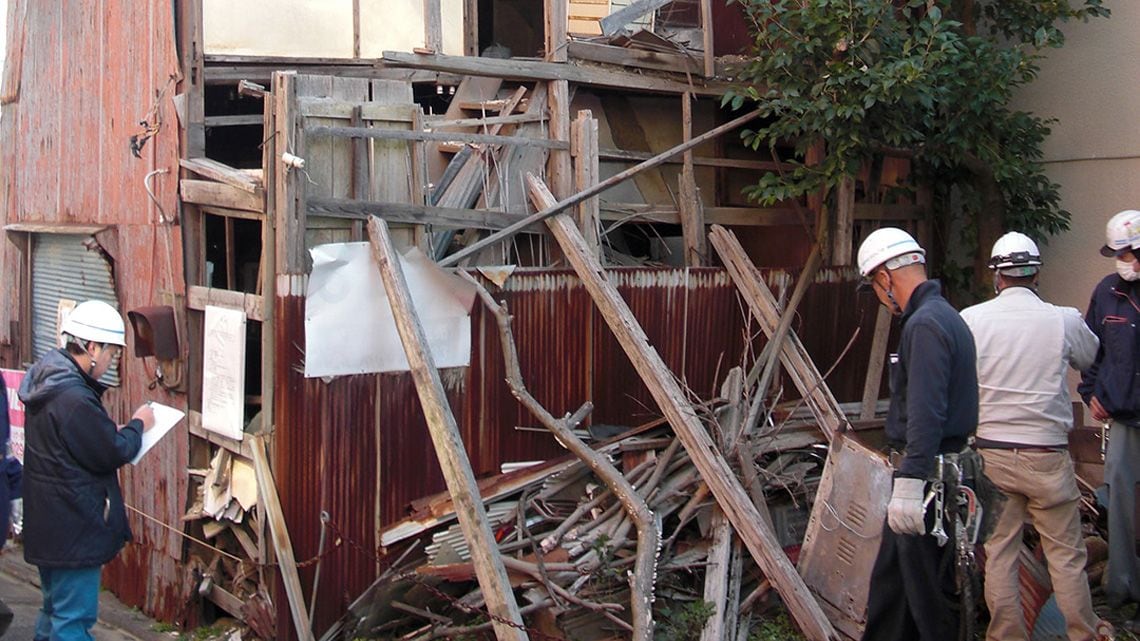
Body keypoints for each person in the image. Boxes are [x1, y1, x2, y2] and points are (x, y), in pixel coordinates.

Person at [961, 232, 1106, 641]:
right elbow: (1092, 356)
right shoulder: (1063, 319)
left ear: (997, 276)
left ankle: (1006, 635)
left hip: (993, 454)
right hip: (1047, 453)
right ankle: (1082, 633)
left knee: (1000, 552)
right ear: (1036, 272)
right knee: (1067, 556)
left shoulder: (972, 319)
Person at [855, 227, 980, 641]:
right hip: (938, 475)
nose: (878, 294)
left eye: (874, 284)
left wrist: (909, 482)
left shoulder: (925, 324)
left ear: (886, 278)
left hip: (928, 482)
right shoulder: (947, 316)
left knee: (926, 604)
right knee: (894, 595)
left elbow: (927, 409)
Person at [18, 300, 155, 641]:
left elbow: (84, 442)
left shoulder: (47, 379)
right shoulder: (74, 397)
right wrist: (138, 424)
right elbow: (111, 451)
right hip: (73, 527)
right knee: (73, 622)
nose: (111, 362)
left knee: (53, 613)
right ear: (93, 347)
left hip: (48, 523)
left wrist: (110, 431)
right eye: (111, 353)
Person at [1080, 210, 1140, 628]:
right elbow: (1090, 349)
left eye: (1128, 252)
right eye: (1117, 253)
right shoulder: (1106, 292)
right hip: (1122, 418)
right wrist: (1090, 392)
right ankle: (1121, 589)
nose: (1122, 260)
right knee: (1118, 502)